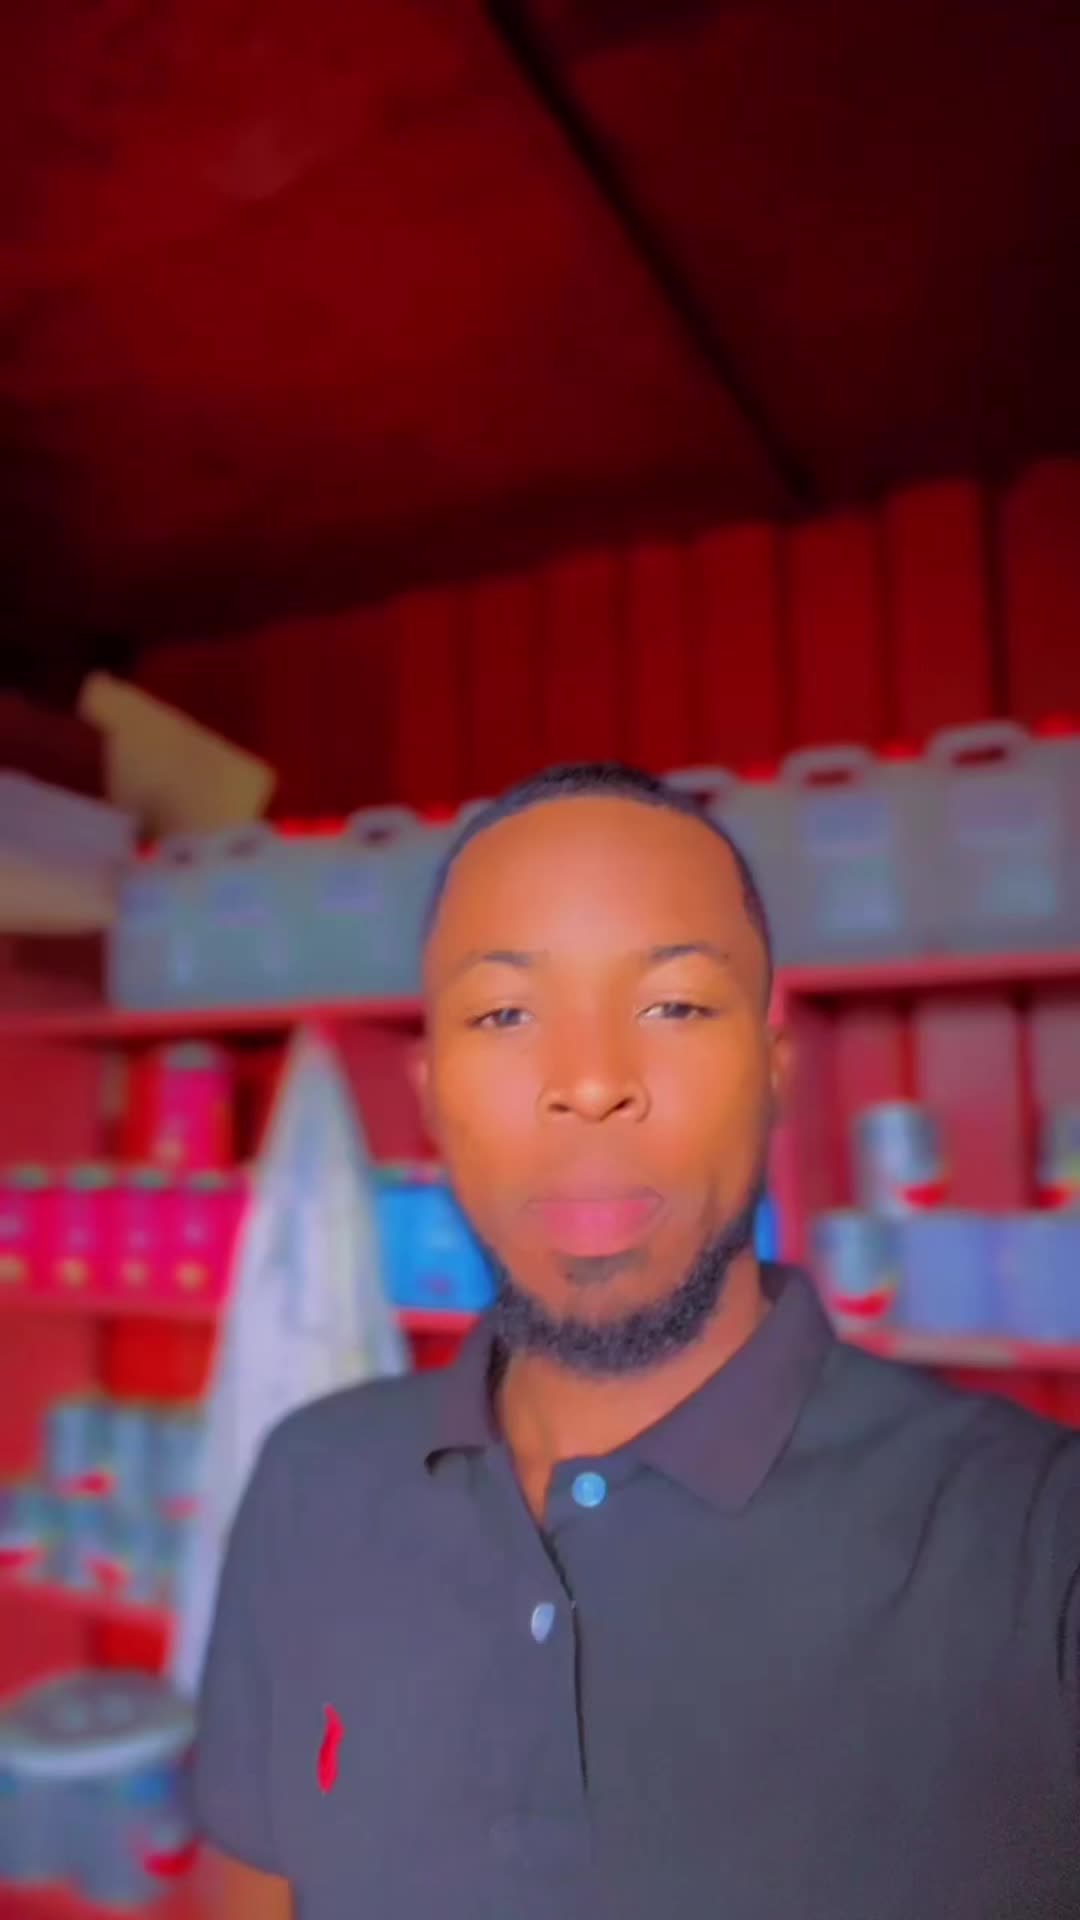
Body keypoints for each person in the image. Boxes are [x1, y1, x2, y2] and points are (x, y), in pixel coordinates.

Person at [195, 761, 1080, 1920]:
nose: (592, 1083)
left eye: (674, 1005)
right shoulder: (308, 1480)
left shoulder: (1033, 1541)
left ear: (773, 1074)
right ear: (431, 1091)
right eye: (504, 1014)